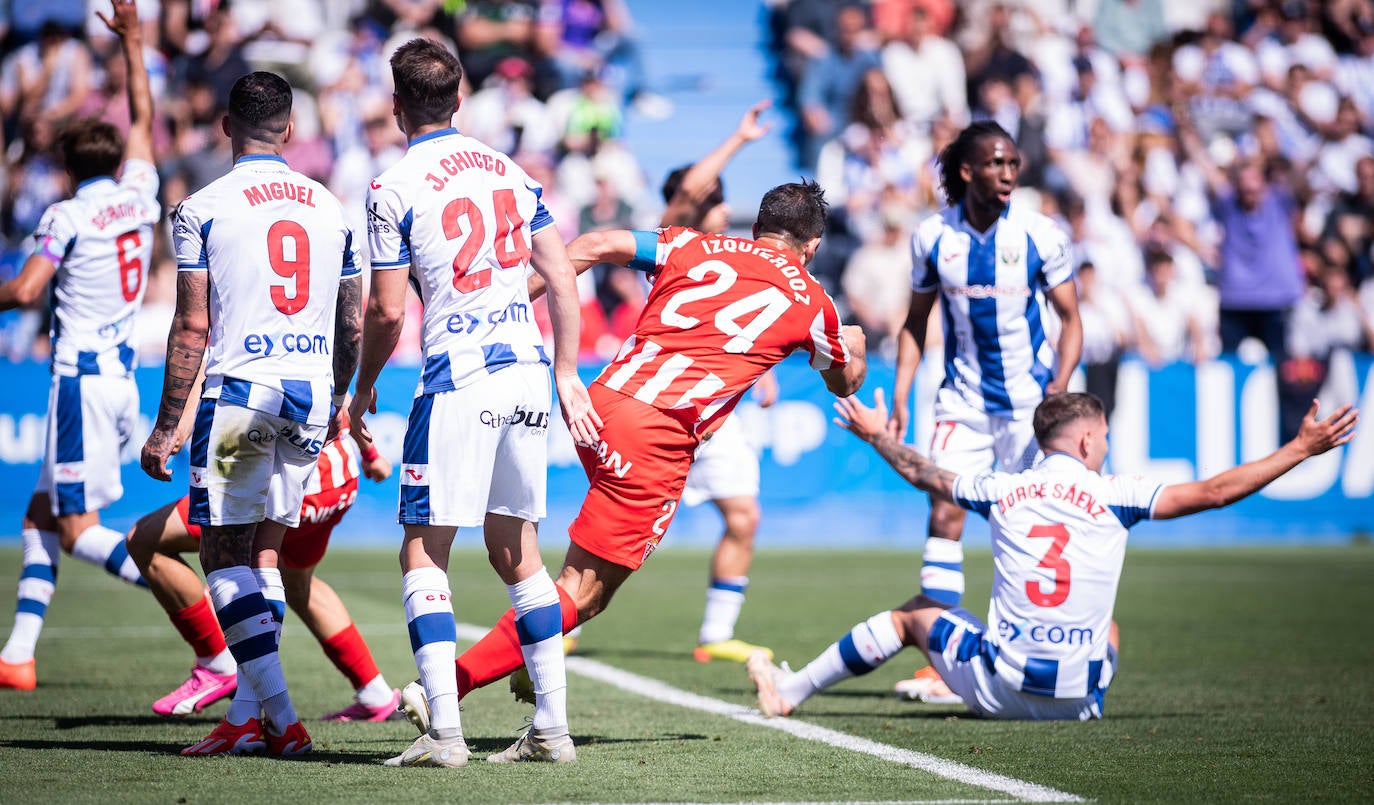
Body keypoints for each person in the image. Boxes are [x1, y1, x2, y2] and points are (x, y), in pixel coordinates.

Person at [400, 180, 867, 741]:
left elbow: (595, 245)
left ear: (756, 227)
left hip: (598, 406)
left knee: (558, 574)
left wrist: (519, 294)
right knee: (583, 592)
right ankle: (445, 688)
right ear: (812, 246)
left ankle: (519, 663)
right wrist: (855, 342)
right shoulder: (812, 299)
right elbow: (845, 381)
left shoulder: (696, 244)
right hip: (655, 435)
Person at [747, 391, 1358, 720]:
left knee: (914, 617)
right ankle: (1072, 687)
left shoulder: (1004, 488)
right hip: (1080, 698)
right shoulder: (1118, 495)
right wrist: (1301, 448)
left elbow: (925, 475)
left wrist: (878, 435)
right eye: (1106, 439)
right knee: (1109, 625)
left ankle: (791, 692)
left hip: (1002, 688)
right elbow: (1218, 492)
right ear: (1089, 440)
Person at [348, 37, 597, 769]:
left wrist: (363, 388)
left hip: (457, 374)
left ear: (397, 109)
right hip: (524, 368)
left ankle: (445, 734)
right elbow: (560, 270)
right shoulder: (513, 172)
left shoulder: (392, 185)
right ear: (460, 100)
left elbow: (388, 313)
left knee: (424, 549)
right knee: (516, 550)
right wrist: (568, 370)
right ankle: (552, 728)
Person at [141, 70, 362, 758]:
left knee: (221, 550)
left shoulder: (202, 205)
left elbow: (190, 327)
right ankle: (247, 714)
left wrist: (165, 425)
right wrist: (338, 399)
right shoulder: (330, 206)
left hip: (240, 393)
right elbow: (352, 324)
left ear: (226, 127)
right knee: (263, 550)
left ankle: (282, 716)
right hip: (308, 396)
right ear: (291, 130)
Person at [567, 100, 781, 664]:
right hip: (653, 405)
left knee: (745, 516)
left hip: (710, 416)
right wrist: (738, 136)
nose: (722, 203)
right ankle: (563, 622)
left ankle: (716, 633)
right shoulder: (676, 237)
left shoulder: (740, 260)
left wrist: (760, 375)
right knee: (611, 530)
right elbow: (690, 189)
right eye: (713, 196)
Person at [886, 120, 1082, 703]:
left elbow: (1072, 320)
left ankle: (1021, 652)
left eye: (1014, 165)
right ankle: (941, 663)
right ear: (968, 170)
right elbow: (915, 324)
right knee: (944, 511)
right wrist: (901, 392)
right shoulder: (931, 238)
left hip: (1029, 408)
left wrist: (1060, 387)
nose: (1007, 174)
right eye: (996, 163)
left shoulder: (1041, 235)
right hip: (963, 403)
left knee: (1021, 525)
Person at [0, 0, 158, 692]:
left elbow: (28, 289)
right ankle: (18, 654)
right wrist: (135, 39)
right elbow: (146, 117)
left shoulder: (67, 213)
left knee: (74, 526)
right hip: (121, 381)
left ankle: (198, 598)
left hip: (80, 381)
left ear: (66, 169)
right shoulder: (141, 193)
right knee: (42, 512)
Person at [127, 412, 402, 723]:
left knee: (145, 541)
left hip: (283, 473)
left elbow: (201, 368)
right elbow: (343, 381)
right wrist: (370, 453)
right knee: (298, 584)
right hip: (336, 477)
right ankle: (376, 693)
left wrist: (171, 427)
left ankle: (218, 664)